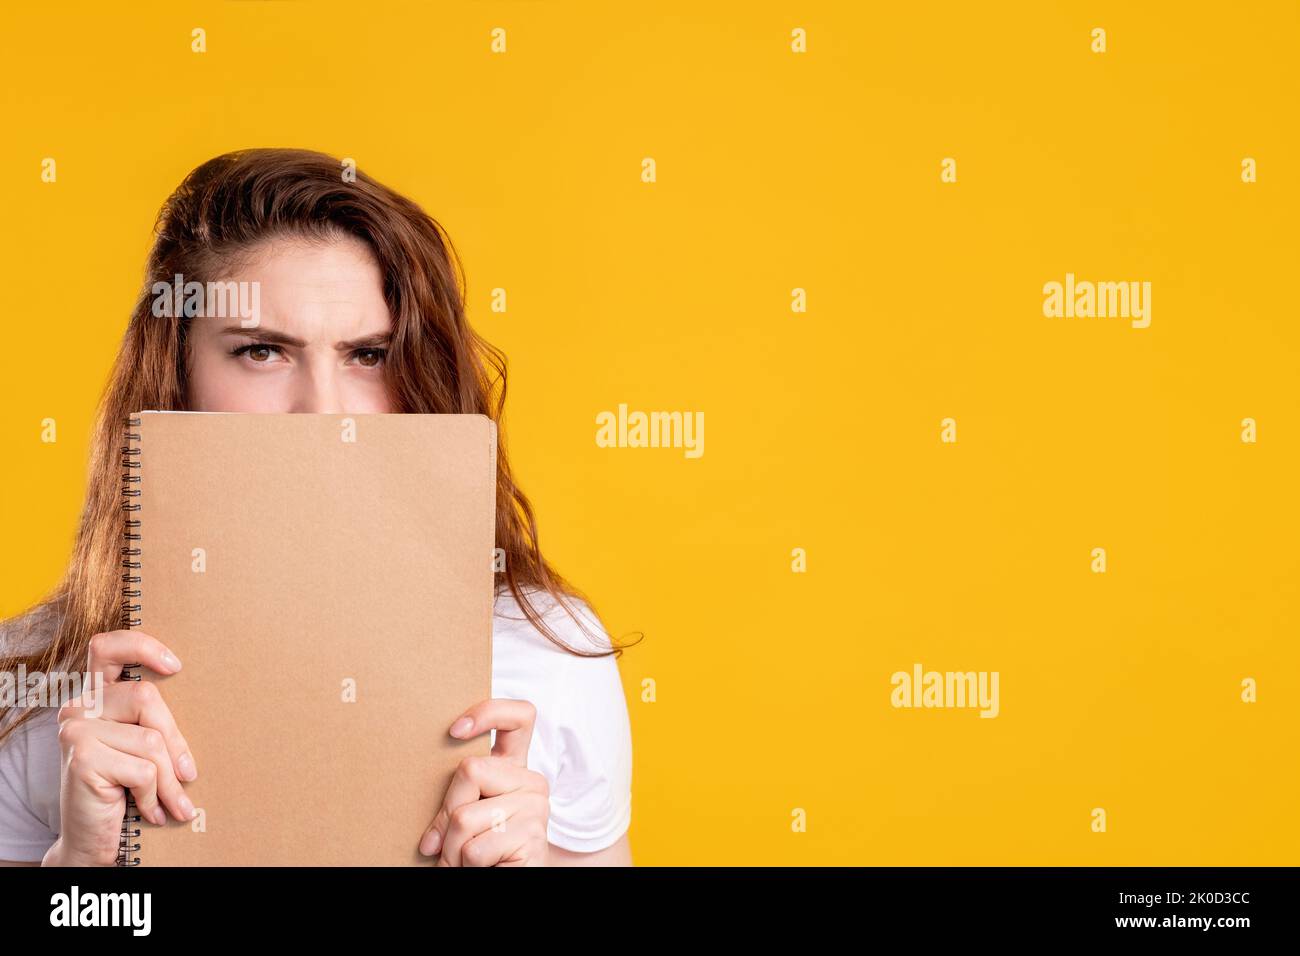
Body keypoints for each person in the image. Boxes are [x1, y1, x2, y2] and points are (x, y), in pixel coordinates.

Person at [0, 148, 634, 867]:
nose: (323, 413)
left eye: (368, 355)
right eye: (262, 351)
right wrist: (80, 867)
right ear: (175, 369)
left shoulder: (549, 653)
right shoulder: (34, 680)